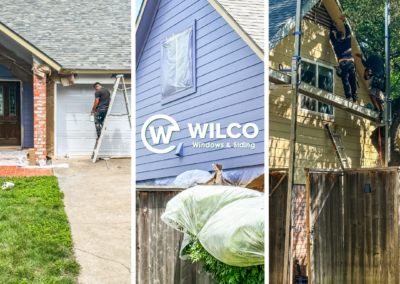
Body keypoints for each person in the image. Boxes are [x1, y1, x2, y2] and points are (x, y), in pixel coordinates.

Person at [330, 15, 357, 103]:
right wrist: (344, 21)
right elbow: (348, 31)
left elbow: (331, 35)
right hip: (351, 63)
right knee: (352, 81)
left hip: (343, 64)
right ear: (343, 36)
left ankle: (349, 97)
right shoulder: (347, 41)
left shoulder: (335, 43)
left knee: (345, 81)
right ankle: (355, 98)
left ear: (337, 37)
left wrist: (333, 26)